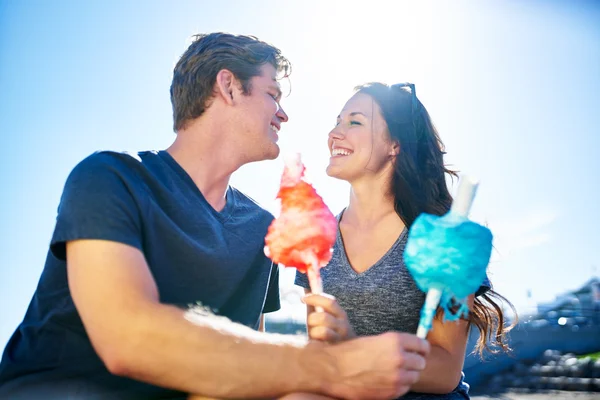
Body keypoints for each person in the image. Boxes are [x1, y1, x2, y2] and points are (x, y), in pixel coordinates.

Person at [0, 34, 431, 399]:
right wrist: (334, 367)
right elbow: (128, 339)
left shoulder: (261, 229)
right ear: (227, 86)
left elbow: (248, 362)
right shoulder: (112, 178)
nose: (283, 114)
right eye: (272, 95)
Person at [296, 82, 515, 399]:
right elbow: (321, 351)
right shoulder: (316, 237)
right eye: (337, 121)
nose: (334, 133)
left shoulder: (447, 241)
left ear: (394, 145)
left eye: (354, 122)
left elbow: (444, 371)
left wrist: (354, 354)